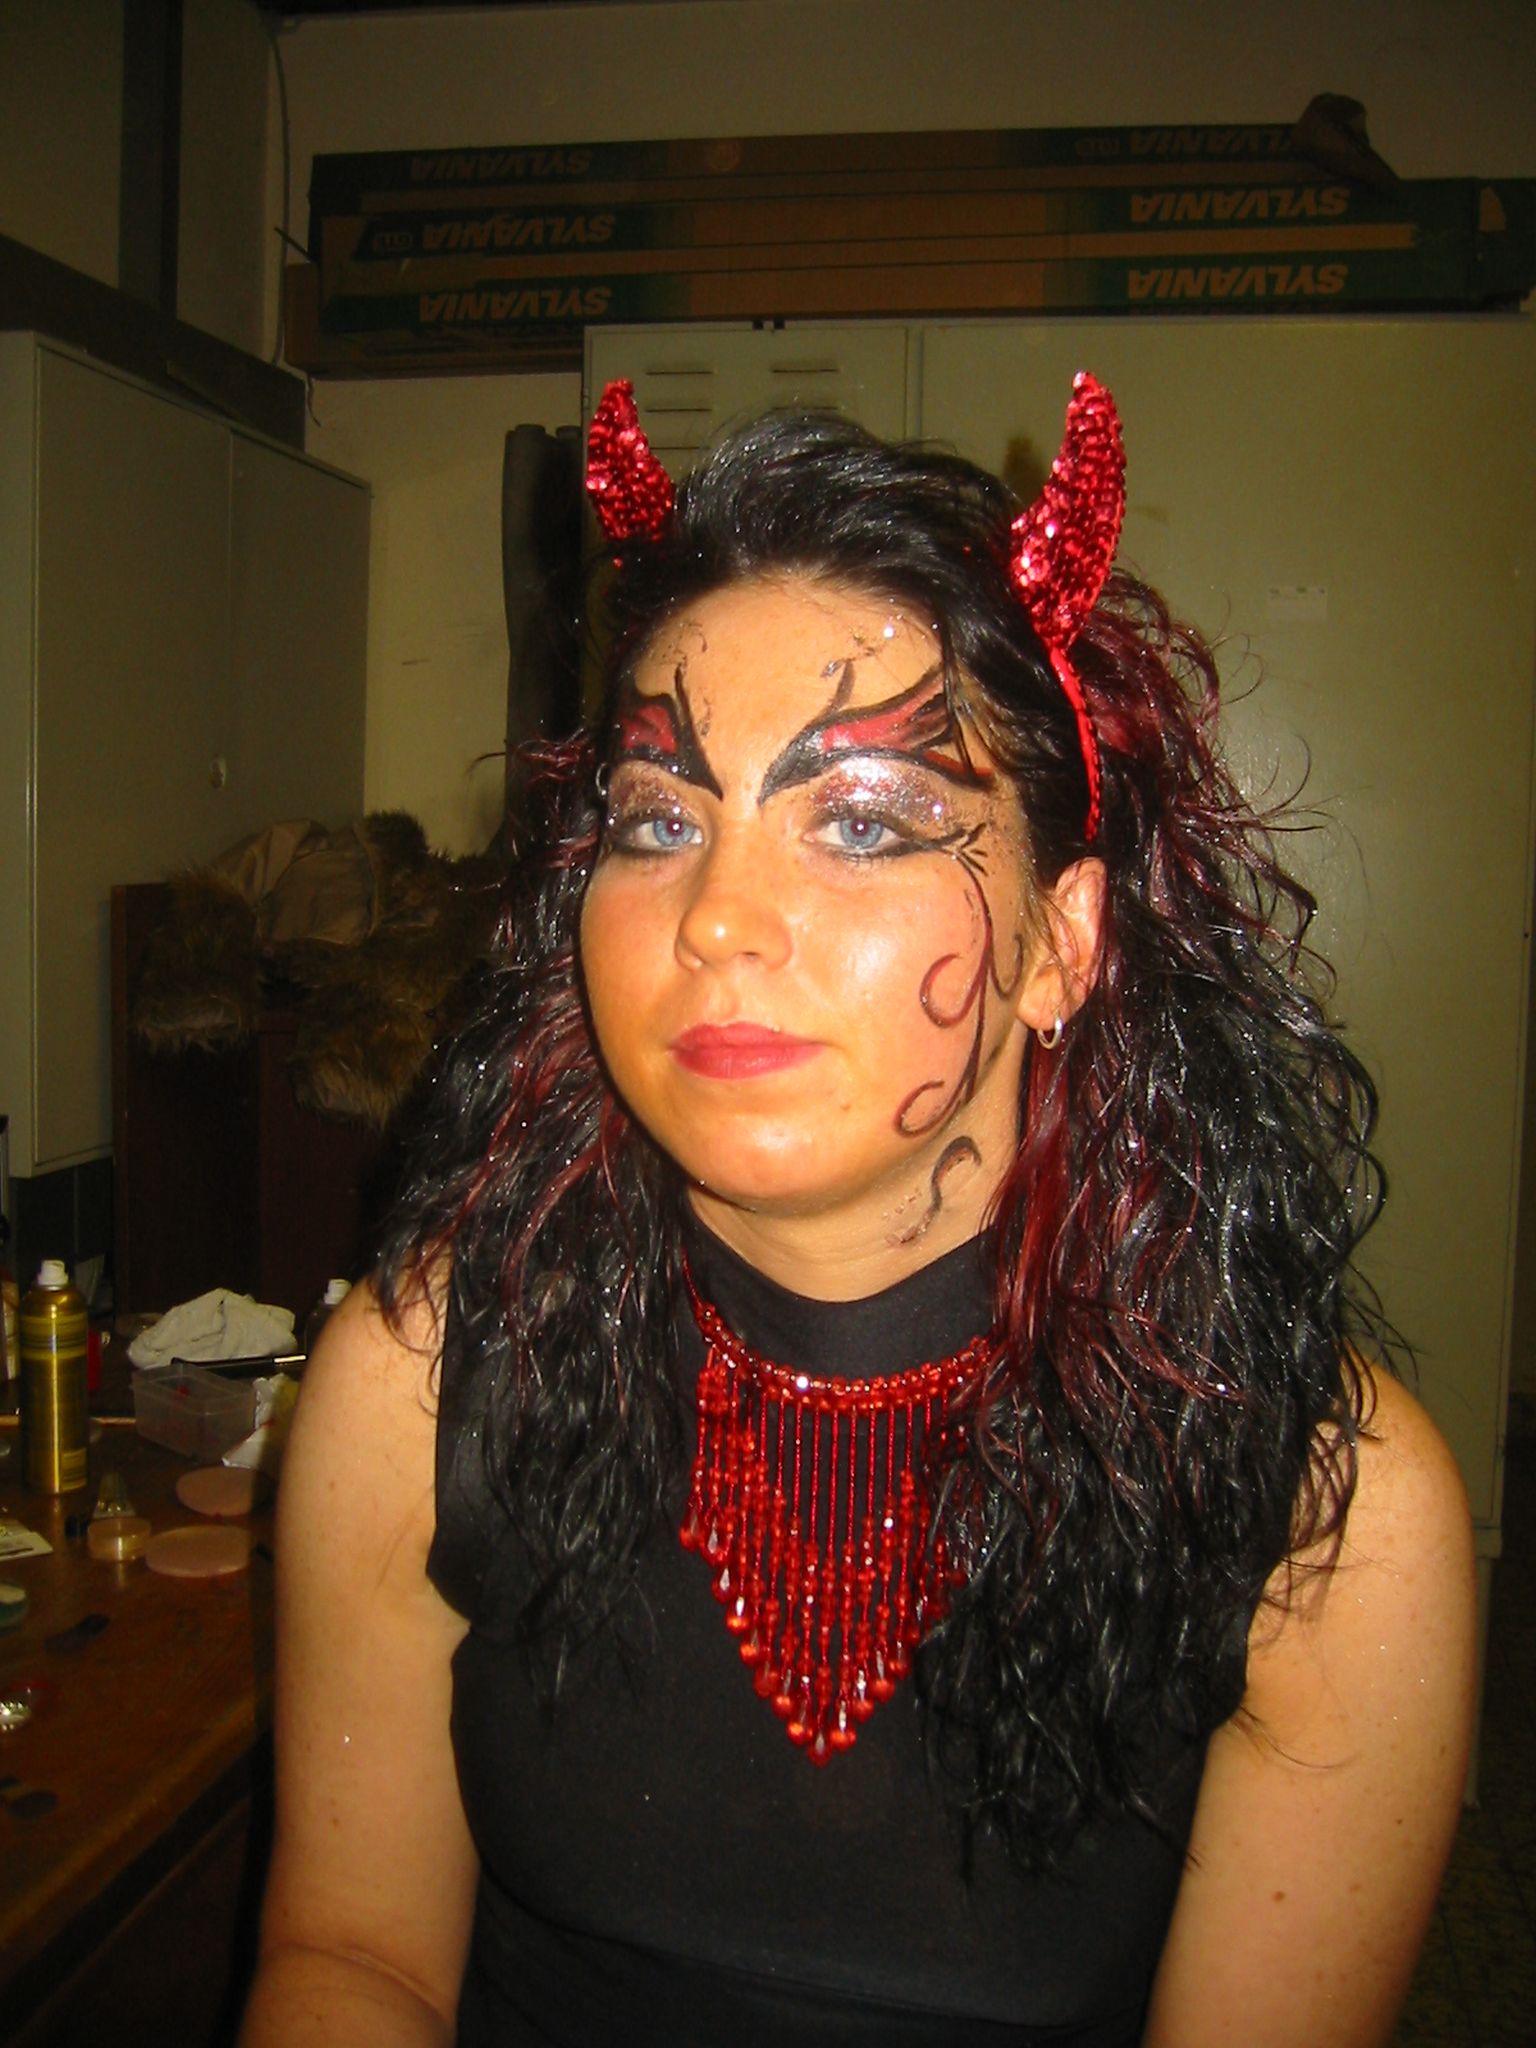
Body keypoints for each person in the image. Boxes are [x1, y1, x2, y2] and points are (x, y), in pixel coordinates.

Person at [240, 376, 1476, 2048]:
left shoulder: (1334, 1520)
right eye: (659, 821)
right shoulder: (421, 1380)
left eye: (867, 822)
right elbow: (354, 1962)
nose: (719, 918)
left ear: (1060, 944)